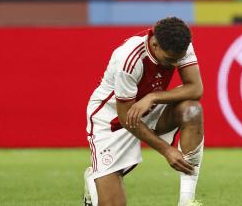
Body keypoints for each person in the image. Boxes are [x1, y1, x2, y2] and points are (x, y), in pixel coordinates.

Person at [83, 17, 204, 206]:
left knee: (192, 110)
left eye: (178, 60)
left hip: (151, 109)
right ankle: (94, 180)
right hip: (113, 120)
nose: (175, 64)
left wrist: (153, 97)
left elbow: (196, 88)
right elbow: (126, 118)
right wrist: (166, 151)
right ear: (154, 44)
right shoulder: (129, 59)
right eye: (170, 60)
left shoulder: (180, 46)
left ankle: (187, 201)